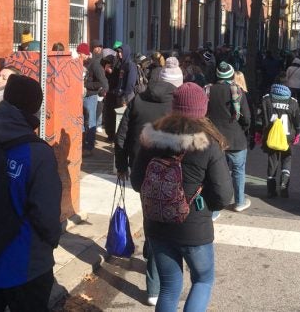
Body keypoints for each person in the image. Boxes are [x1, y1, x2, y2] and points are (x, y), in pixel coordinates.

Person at [0, 75, 62, 312]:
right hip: (24, 265)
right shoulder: (38, 153)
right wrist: (52, 240)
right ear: (35, 108)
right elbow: (46, 214)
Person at [130, 82, 233, 312]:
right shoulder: (209, 143)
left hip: (156, 223)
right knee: (203, 280)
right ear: (202, 110)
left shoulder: (151, 137)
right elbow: (224, 196)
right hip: (194, 226)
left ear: (174, 107)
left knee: (168, 287)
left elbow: (137, 182)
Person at [114, 61, 181, 306]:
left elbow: (121, 137)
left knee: (150, 217)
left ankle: (154, 279)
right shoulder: (177, 103)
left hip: (140, 168)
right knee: (164, 226)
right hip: (170, 169)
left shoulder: (138, 100)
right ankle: (156, 284)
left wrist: (121, 165)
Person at [206, 61, 252, 213]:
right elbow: (246, 119)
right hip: (235, 138)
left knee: (216, 173)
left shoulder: (207, 90)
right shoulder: (237, 91)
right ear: (231, 75)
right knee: (238, 170)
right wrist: (242, 129)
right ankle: (239, 202)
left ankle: (216, 209)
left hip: (214, 138)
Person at [261, 83, 300, 198]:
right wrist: (298, 134)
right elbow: (298, 122)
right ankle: (284, 185)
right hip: (287, 137)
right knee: (286, 159)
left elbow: (262, 120)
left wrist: (259, 134)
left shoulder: (266, 99)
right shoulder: (292, 102)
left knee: (272, 161)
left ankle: (271, 190)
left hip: (271, 136)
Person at [80, 42, 108, 156]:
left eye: (79, 53)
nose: (78, 55)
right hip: (81, 97)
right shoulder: (80, 63)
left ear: (85, 53)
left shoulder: (95, 65)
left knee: (90, 122)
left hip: (90, 96)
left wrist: (86, 86)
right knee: (81, 122)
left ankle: (89, 147)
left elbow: (102, 82)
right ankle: (82, 145)